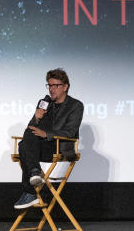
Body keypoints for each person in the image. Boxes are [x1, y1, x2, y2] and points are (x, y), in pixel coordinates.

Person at [14, 68, 83, 209]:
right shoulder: (44, 102)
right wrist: (36, 118)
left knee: (23, 146)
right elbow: (31, 130)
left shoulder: (75, 106)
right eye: (49, 85)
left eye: (55, 86)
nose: (51, 89)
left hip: (60, 147)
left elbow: (70, 132)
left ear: (65, 87)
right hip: (41, 148)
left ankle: (30, 191)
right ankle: (34, 173)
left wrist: (46, 134)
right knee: (27, 136)